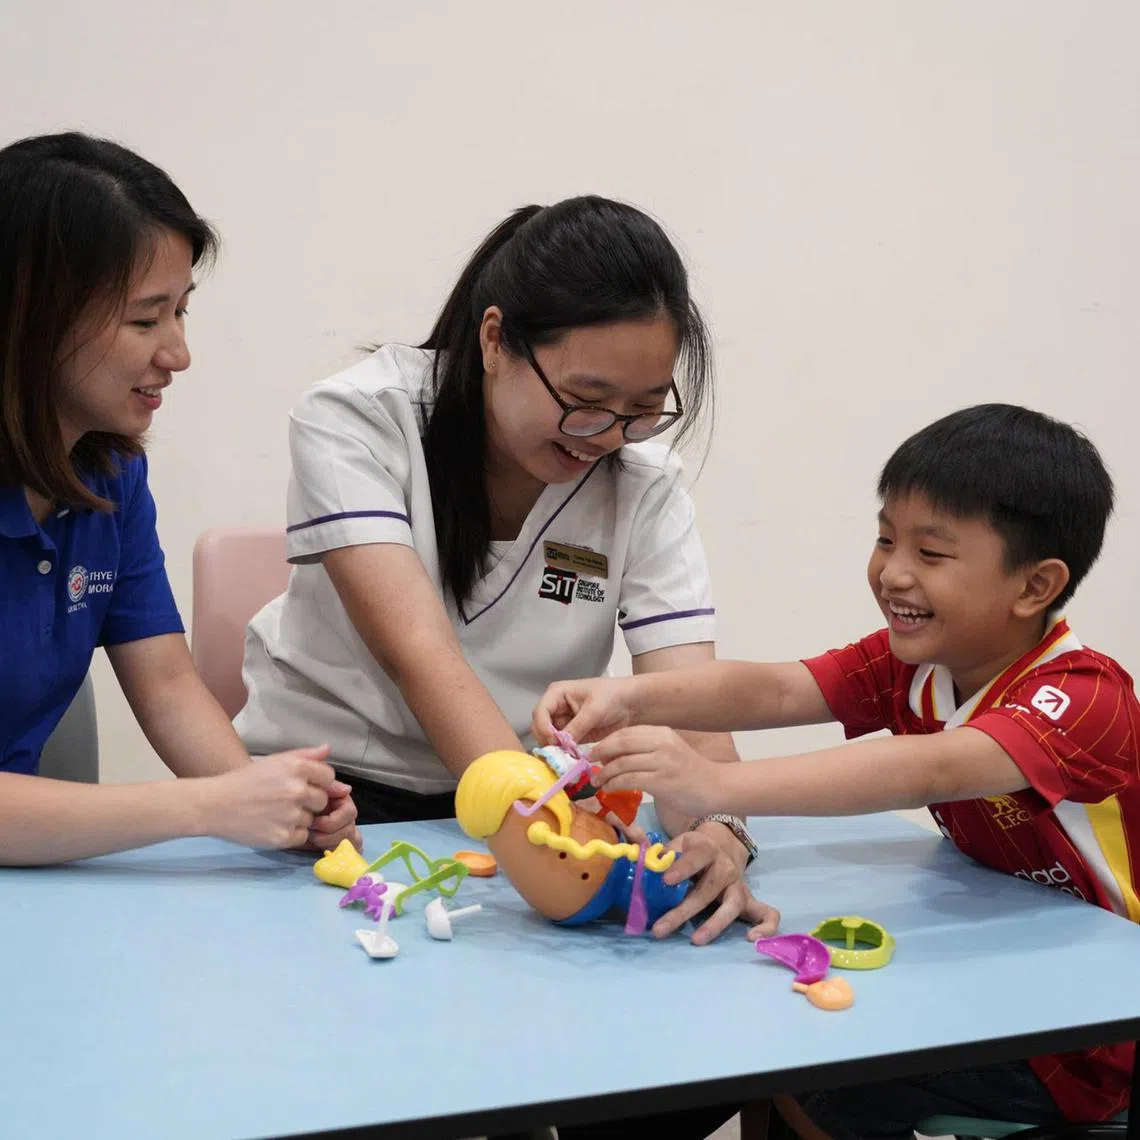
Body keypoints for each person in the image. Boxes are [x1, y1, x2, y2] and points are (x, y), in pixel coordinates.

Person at [536, 403, 1137, 1137]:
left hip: (1088, 1036)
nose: (893, 573)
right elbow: (779, 687)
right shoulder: (915, 664)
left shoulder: (1084, 697)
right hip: (996, 958)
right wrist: (629, 695)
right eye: (886, 539)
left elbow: (927, 770)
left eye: (932, 553)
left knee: (813, 1062)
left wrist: (714, 784)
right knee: (745, 1027)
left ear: (1034, 587)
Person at [236, 194, 778, 951]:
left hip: (527, 802)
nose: (608, 437)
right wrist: (541, 843)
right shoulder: (357, 420)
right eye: (585, 401)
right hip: (328, 808)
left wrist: (720, 829)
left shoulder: (644, 485)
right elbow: (418, 655)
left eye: (644, 408)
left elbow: (689, 706)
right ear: (496, 340)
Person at [0, 131, 359, 866]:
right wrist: (211, 806)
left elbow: (165, 682)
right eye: (144, 319)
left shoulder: (108, 476)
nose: (178, 353)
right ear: (27, 318)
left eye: (181, 311)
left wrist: (272, 802)